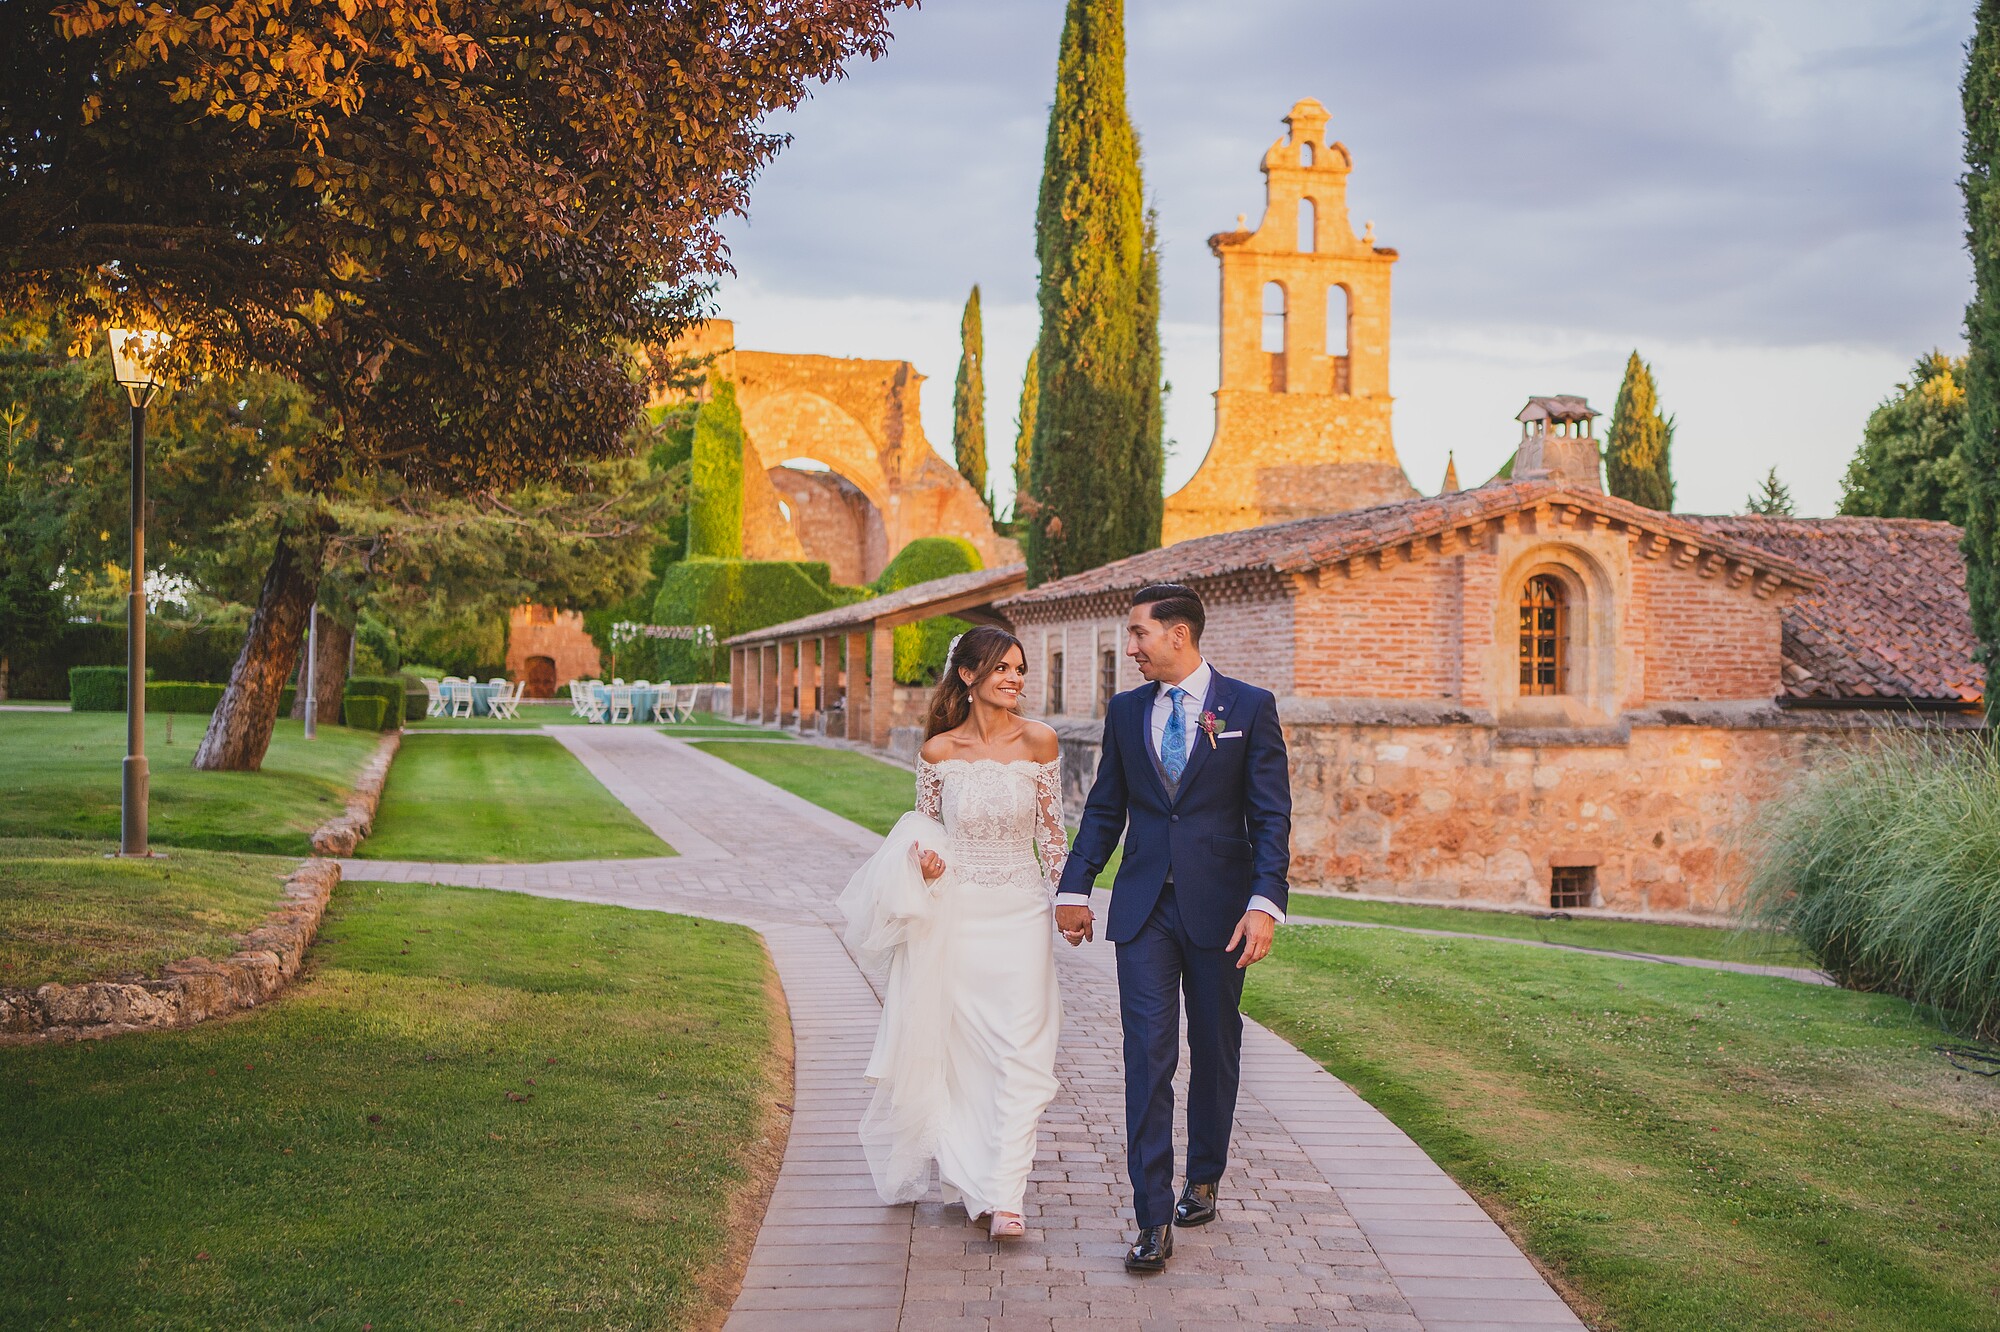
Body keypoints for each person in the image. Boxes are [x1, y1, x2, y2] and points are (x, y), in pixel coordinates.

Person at [1054, 583, 1292, 1273]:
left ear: (1178, 634)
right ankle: (1152, 1216)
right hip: (1143, 911)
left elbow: (1270, 816)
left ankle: (1204, 1176)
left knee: (1214, 1046)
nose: (1130, 647)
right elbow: (1105, 808)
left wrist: (1264, 903)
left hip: (1221, 911)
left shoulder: (1249, 706)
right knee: (1147, 1056)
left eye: (1138, 634)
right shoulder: (1127, 711)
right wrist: (1075, 886)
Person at [836, 625, 1071, 1239]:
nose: (1015, 679)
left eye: (1020, 669)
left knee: (1021, 1050)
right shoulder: (938, 753)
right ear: (968, 675)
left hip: (1021, 912)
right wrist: (925, 864)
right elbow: (925, 833)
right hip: (958, 913)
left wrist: (1069, 899)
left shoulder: (1040, 741)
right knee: (966, 1055)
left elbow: (1052, 836)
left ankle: (1008, 1194)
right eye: (1003, 668)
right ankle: (977, 1181)